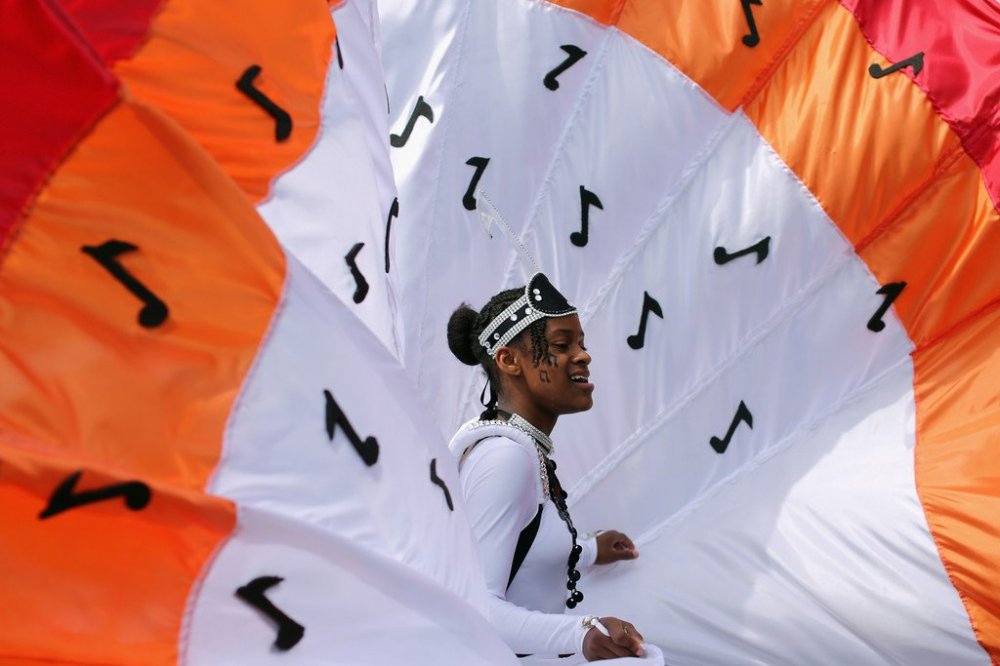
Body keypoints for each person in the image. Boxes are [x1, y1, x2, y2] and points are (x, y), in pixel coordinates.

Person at [447, 273, 649, 662]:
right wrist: (583, 634)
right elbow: (473, 608)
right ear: (508, 360)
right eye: (562, 344)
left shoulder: (522, 449)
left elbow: (523, 549)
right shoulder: (504, 460)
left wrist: (588, 551)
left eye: (582, 344)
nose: (583, 355)